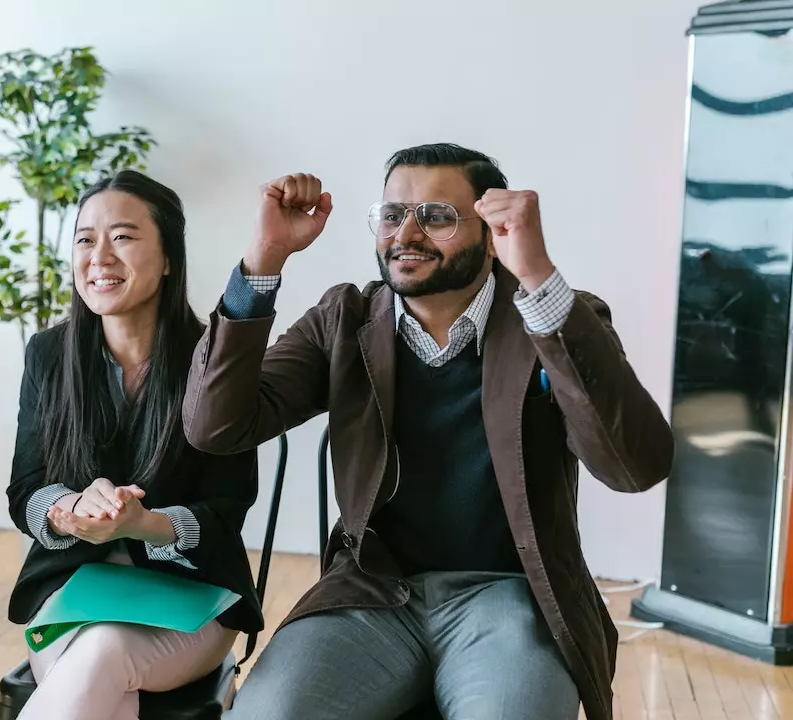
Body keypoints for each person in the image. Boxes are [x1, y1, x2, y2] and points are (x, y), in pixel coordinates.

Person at [184, 144, 674, 720]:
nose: (407, 234)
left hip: (510, 599)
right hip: (371, 595)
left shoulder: (550, 317)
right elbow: (215, 427)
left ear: (493, 234)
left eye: (438, 217)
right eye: (393, 215)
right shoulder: (344, 320)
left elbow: (634, 466)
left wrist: (538, 277)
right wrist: (263, 260)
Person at [6, 169, 264, 720]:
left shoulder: (215, 361)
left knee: (103, 651)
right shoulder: (49, 355)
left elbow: (226, 510)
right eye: (84, 238)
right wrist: (67, 508)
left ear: (169, 257)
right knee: (100, 661)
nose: (99, 256)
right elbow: (25, 490)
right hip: (73, 588)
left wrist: (142, 524)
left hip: (193, 594)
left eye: (122, 237)